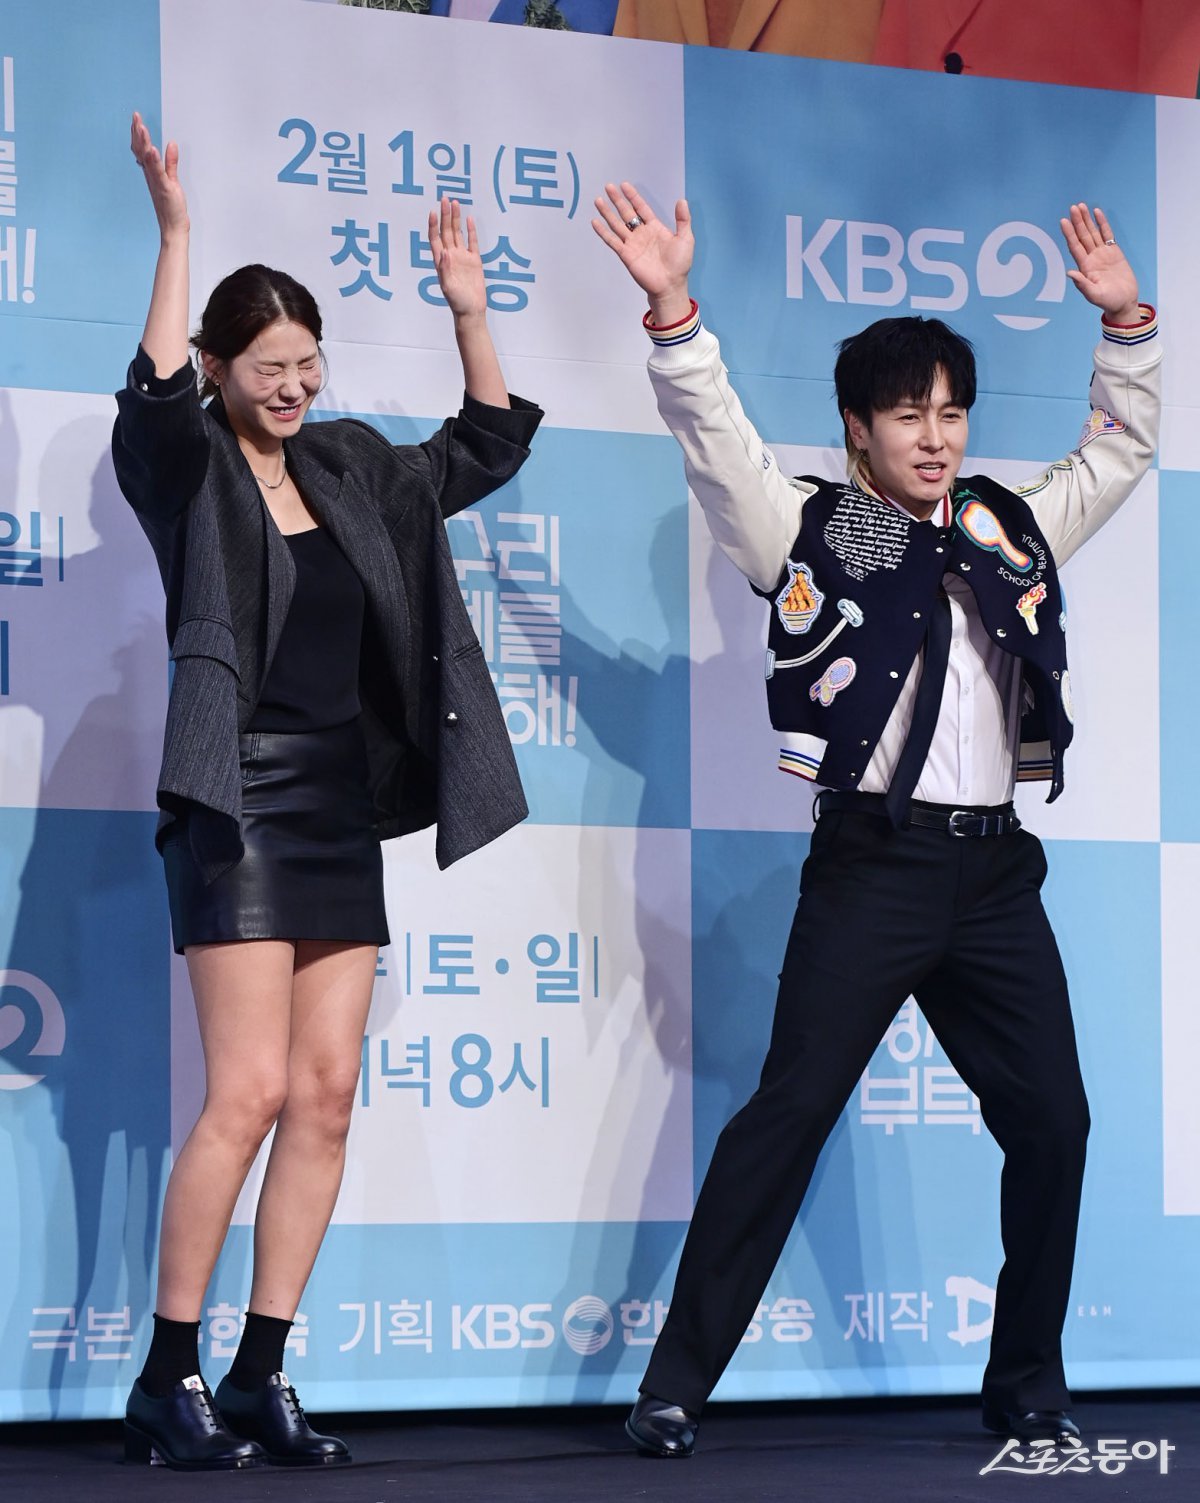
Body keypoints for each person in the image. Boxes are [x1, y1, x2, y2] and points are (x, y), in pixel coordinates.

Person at [592, 181, 1159, 1457]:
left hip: (995, 875)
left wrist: (1126, 327)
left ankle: (1029, 1383)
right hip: (873, 866)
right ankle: (675, 1384)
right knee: (791, 1110)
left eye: (952, 411)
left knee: (1055, 1123)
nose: (936, 436)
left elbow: (1119, 454)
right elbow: (717, 439)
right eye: (909, 414)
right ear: (858, 427)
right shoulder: (812, 526)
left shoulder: (1007, 528)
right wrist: (674, 313)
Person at [114, 113, 541, 1471]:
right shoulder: (189, 471)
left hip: (340, 806)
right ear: (222, 369)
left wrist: (468, 310)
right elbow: (152, 398)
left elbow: (484, 447)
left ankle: (259, 1371)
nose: (294, 387)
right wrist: (177, 235)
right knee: (244, 1092)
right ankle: (165, 1375)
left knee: (328, 1091)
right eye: (269, 369)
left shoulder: (351, 465)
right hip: (235, 801)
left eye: (309, 364)